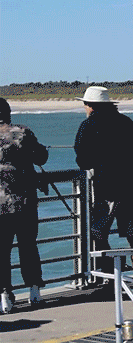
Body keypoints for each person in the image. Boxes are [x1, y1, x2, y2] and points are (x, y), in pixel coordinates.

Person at [73, 86, 133, 285]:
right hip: (131, 187)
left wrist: (99, 156)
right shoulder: (124, 121)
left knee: (99, 234)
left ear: (90, 105)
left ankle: (109, 278)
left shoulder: (88, 125)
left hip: (107, 188)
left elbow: (82, 161)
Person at [0, 98, 49, 313]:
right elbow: (41, 157)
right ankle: (34, 291)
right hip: (26, 203)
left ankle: (4, 296)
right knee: (28, 247)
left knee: (2, 251)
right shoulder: (22, 132)